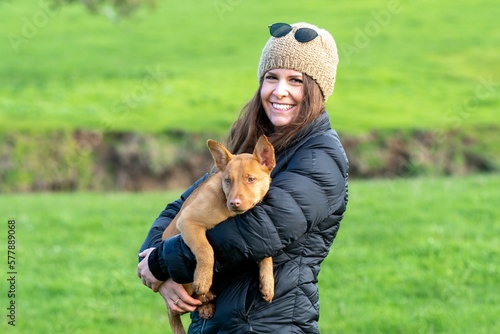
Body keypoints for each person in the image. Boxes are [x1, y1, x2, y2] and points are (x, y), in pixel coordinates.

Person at [137, 22, 349, 333]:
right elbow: (185, 205)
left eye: (295, 80)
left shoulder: (320, 157)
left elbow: (255, 232)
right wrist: (157, 264)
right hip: (217, 320)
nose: (280, 91)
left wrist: (161, 264)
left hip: (268, 323)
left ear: (317, 90)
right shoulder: (248, 151)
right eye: (271, 78)